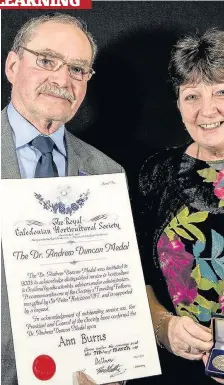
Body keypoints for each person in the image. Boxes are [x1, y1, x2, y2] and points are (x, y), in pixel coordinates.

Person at [1, 13, 124, 385]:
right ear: (12, 64)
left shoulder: (108, 173)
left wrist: (111, 366)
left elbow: (111, 294)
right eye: (46, 61)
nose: (61, 80)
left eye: (77, 69)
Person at [133, 29, 224, 385]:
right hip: (173, 373)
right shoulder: (156, 173)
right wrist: (163, 328)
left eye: (222, 91)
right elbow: (134, 275)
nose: (207, 110)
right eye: (192, 96)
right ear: (178, 103)